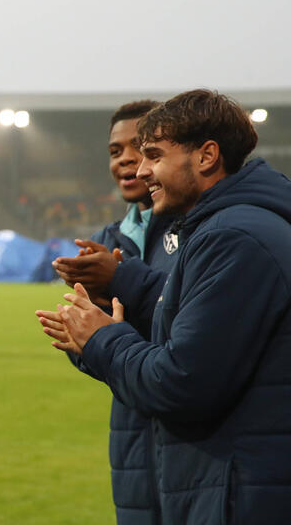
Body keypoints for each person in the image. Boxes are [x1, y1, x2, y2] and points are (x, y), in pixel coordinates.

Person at [37, 89, 291, 524]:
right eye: (124, 153)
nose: (140, 169)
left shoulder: (231, 237)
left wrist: (101, 337)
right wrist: (94, 339)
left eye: (152, 154)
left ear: (207, 155)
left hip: (239, 488)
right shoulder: (227, 227)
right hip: (215, 477)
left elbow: (180, 382)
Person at [52, 100, 176, 525]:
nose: (124, 158)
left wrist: (119, 289)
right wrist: (83, 339)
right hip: (131, 435)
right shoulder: (107, 238)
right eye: (114, 151)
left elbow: (195, 331)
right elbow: (90, 347)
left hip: (192, 431)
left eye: (138, 146)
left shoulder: (202, 232)